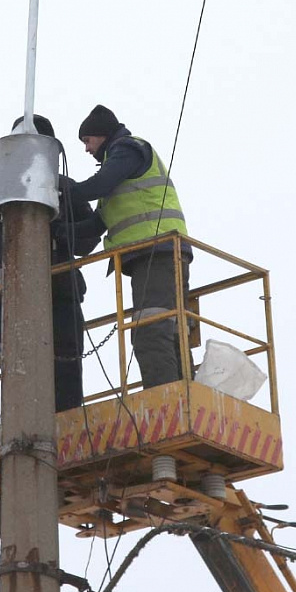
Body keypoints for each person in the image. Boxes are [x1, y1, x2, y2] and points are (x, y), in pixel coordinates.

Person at [0, 114, 102, 412]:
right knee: (17, 369)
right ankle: (23, 425)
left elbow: (88, 240)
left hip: (59, 293)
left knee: (64, 365)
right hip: (6, 295)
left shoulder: (63, 187)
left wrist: (62, 231)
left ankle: (66, 424)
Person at [70, 105, 191, 390]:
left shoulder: (126, 150)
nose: (87, 149)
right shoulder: (119, 173)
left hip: (158, 251)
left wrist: (62, 188)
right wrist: (56, 233)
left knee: (151, 330)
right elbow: (94, 226)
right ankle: (182, 393)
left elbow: (99, 184)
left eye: (87, 141)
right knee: (169, 328)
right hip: (155, 255)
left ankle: (168, 402)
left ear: (101, 135)